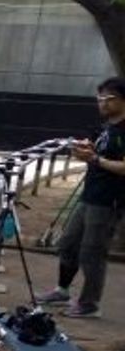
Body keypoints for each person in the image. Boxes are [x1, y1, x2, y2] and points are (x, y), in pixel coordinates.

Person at [38, 77, 125, 319]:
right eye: (100, 99)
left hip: (109, 202)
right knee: (67, 243)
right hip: (89, 195)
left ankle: (89, 303)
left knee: (92, 253)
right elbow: (99, 156)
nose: (103, 104)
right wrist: (87, 151)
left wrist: (95, 159)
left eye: (109, 99)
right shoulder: (108, 127)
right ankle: (62, 290)